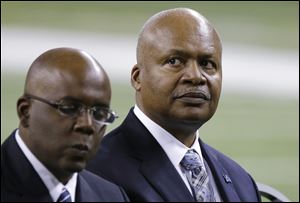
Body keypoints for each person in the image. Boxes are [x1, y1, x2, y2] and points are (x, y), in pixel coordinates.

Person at [87, 8, 261, 202]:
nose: (196, 76)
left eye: (207, 63)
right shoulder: (93, 173)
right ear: (138, 78)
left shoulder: (241, 181)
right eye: (175, 61)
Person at [1, 47, 129, 202]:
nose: (87, 125)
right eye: (69, 108)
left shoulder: (112, 197)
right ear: (25, 112)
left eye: (99, 114)